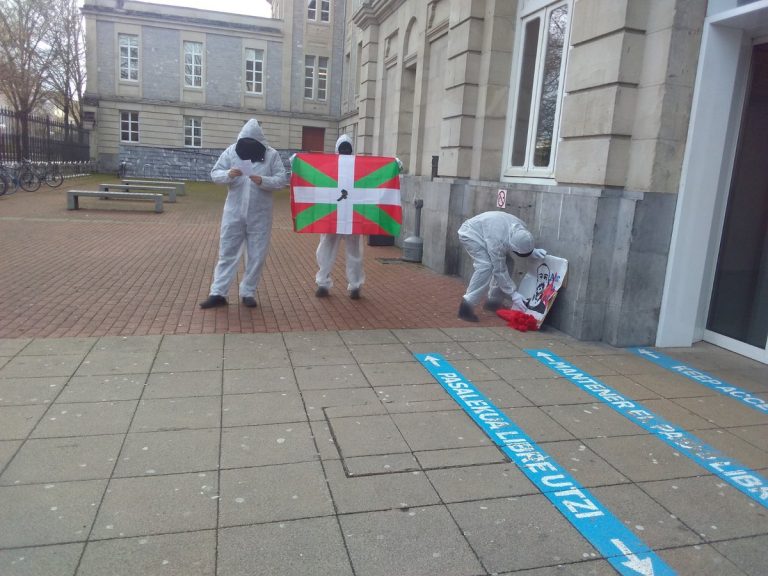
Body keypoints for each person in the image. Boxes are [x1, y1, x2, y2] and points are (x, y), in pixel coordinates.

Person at [200, 118, 288, 309]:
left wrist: (262, 180)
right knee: (227, 252)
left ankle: (248, 292)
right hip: (234, 212)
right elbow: (215, 174)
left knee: (257, 255)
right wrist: (228, 174)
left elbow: (282, 179)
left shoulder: (272, 155)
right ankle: (218, 292)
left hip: (260, 214)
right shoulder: (231, 151)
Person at [457, 211, 547, 322]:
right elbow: (499, 270)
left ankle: (493, 302)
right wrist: (513, 294)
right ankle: (466, 306)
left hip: (487, 230)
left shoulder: (522, 229)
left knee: (509, 262)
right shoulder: (497, 242)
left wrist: (531, 251)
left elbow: (523, 241)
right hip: (470, 233)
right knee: (485, 266)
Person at [314, 134, 365, 300]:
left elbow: (374, 178)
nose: (344, 152)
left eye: (347, 149)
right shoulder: (329, 166)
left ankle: (355, 285)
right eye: (342, 149)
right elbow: (316, 179)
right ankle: (323, 283)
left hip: (352, 215)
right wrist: (298, 165)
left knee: (354, 251)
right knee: (326, 248)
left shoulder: (359, 167)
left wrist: (393, 167)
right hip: (333, 214)